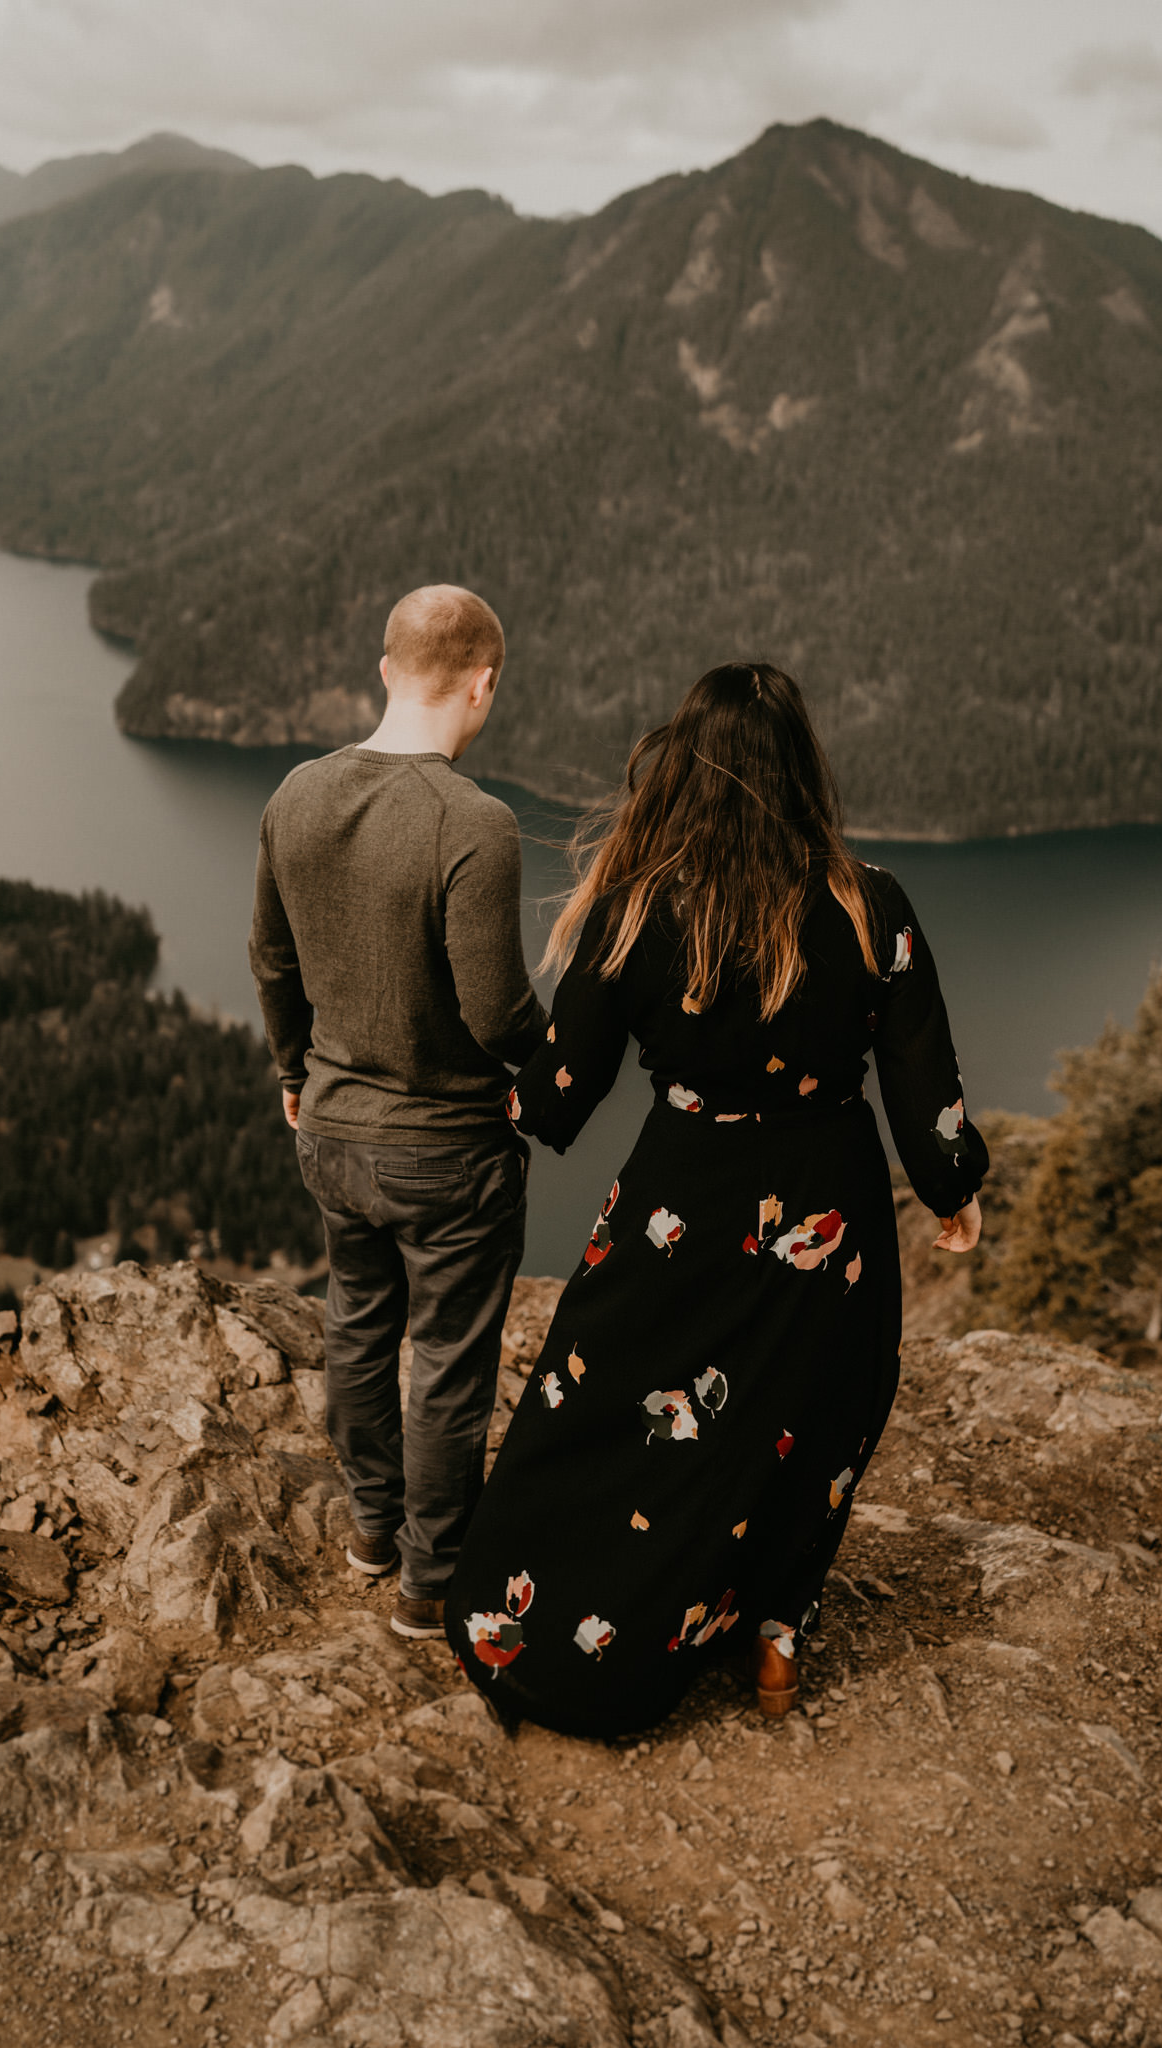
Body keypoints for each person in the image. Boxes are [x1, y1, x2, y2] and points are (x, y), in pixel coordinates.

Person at [444, 661, 986, 1734]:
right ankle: (774, 1636)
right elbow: (926, 1089)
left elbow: (558, 1091)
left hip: (678, 1202)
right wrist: (951, 1189)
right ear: (801, 770)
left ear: (683, 769)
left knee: (610, 1407)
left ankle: (564, 1630)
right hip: (827, 1206)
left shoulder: (637, 901)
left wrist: (477, 1110)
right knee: (803, 1417)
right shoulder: (870, 902)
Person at [249, 585, 547, 1640]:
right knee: (450, 1359)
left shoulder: (296, 794)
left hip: (331, 1131)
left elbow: (272, 958)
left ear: (384, 668)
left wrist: (295, 1070)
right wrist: (542, 1065)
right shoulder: (475, 823)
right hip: (448, 1151)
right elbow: (495, 1006)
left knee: (359, 1330)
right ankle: (431, 1577)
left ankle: (371, 1530)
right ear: (484, 681)